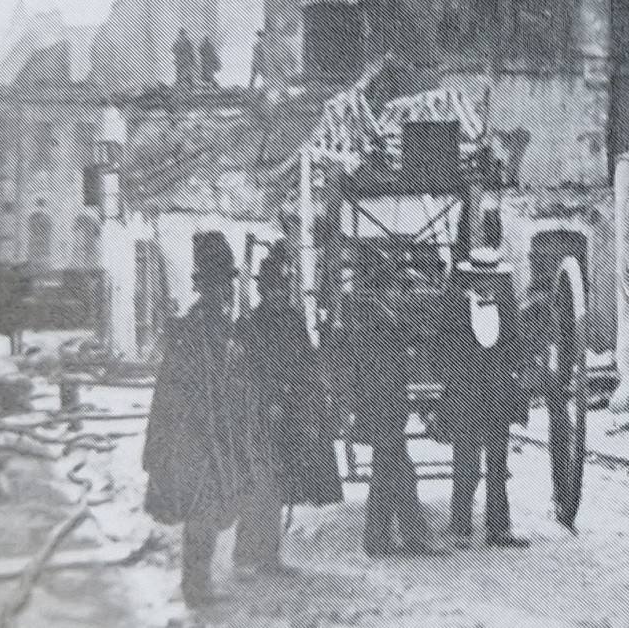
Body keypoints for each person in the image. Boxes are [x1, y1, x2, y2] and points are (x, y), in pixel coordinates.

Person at [144, 231, 244, 606]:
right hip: (195, 435)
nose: (227, 291)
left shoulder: (216, 324)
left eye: (227, 284)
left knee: (211, 506)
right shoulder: (197, 328)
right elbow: (178, 386)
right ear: (207, 287)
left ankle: (198, 583)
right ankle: (196, 587)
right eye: (221, 284)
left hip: (212, 432)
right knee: (203, 506)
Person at [233, 243, 342, 572]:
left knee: (280, 484)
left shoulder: (293, 320)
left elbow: (307, 364)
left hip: (293, 414)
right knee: (259, 483)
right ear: (263, 291)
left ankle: (268, 555)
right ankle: (247, 554)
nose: (278, 295)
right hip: (261, 415)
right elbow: (247, 373)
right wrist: (269, 401)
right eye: (273, 289)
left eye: (282, 289)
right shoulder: (251, 325)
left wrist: (315, 404)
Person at [437, 246, 530, 548]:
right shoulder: (455, 307)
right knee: (466, 461)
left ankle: (499, 528)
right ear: (471, 279)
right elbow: (443, 348)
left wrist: (516, 376)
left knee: (498, 463)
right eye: (481, 278)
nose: (487, 284)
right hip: (466, 396)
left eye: (492, 279)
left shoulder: (506, 306)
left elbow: (515, 346)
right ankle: (460, 526)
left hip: (498, 398)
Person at [354, 258, 439, 557]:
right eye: (395, 288)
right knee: (398, 473)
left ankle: (379, 539)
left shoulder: (380, 317)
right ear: (384, 289)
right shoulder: (378, 321)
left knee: (388, 473)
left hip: (385, 407)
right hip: (383, 407)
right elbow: (380, 368)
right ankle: (412, 538)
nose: (399, 294)